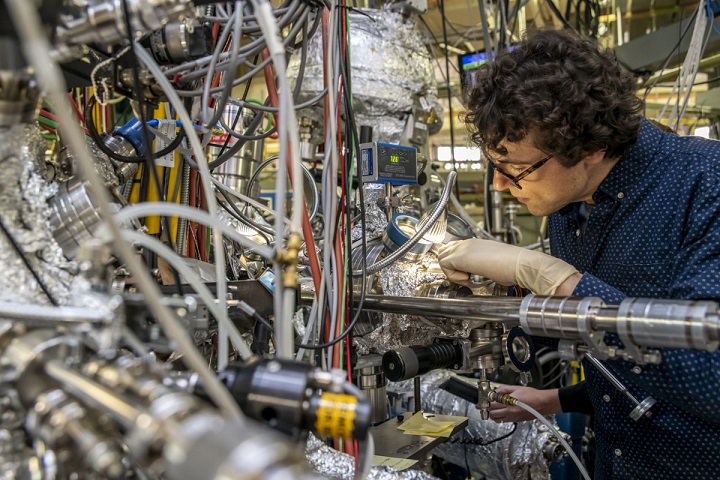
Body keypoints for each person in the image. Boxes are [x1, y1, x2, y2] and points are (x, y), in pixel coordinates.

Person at [438, 28, 720, 479]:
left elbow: (708, 377)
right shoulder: (569, 208)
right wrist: (558, 401)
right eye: (495, 165)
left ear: (590, 147)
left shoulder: (706, 185)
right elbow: (631, 370)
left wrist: (559, 280)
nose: (498, 185)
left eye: (515, 169)